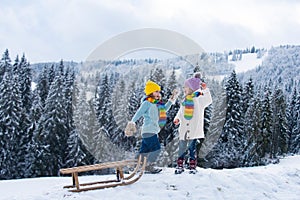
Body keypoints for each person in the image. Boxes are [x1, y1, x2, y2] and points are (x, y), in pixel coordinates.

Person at [125, 80, 178, 173]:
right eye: (156, 91)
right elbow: (139, 112)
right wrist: (132, 122)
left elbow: (164, 109)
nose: (159, 93)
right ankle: (149, 165)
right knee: (156, 148)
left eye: (159, 91)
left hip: (152, 131)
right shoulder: (147, 103)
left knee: (144, 150)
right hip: (149, 130)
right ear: (150, 93)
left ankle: (135, 166)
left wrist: (171, 100)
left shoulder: (157, 104)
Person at [173, 73, 212, 173]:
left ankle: (192, 164)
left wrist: (205, 90)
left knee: (192, 147)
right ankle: (180, 164)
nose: (183, 89)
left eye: (185, 87)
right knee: (181, 147)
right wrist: (177, 118)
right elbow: (181, 111)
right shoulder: (185, 100)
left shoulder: (199, 100)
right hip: (184, 129)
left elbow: (208, 100)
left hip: (194, 129)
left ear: (191, 89)